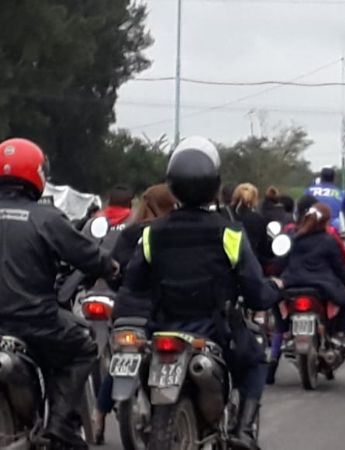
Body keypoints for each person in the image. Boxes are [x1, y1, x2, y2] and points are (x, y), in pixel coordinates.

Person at [114, 136, 280, 450]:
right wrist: (272, 291)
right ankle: (244, 430)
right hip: (215, 333)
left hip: (161, 329)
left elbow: (133, 283)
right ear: (215, 185)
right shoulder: (229, 233)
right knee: (257, 359)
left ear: (172, 185)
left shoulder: (151, 234)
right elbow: (256, 291)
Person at [0, 138, 118, 449]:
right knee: (84, 346)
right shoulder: (46, 218)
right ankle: (60, 424)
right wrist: (111, 266)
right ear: (37, 173)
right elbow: (87, 254)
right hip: (35, 321)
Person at [92, 183, 176, 443]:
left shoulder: (129, 233)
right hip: (159, 311)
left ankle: (98, 414)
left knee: (122, 360)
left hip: (125, 309)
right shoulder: (169, 233)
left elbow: (114, 271)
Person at [279, 202, 345, 363]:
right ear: (326, 221)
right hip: (323, 286)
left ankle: (273, 358)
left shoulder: (292, 238)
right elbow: (339, 268)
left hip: (292, 285)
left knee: (280, 318)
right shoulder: (328, 240)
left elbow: (281, 263)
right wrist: (342, 285)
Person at [232, 183, 274, 268]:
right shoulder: (258, 219)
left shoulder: (225, 215)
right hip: (249, 264)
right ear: (254, 199)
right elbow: (263, 247)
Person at [305, 167, 345, 236]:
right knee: (337, 222)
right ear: (334, 178)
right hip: (332, 228)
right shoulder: (341, 194)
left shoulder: (308, 191)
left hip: (312, 226)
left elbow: (301, 210)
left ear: (321, 178)